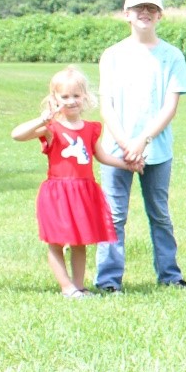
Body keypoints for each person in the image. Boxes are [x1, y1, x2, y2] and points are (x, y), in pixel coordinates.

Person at [96, 0, 186, 292]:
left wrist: (143, 142)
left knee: (160, 214)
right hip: (116, 150)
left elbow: (169, 106)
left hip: (157, 150)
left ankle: (170, 275)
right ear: (127, 14)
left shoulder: (171, 56)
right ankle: (109, 280)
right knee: (113, 217)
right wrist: (126, 144)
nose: (145, 13)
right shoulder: (112, 55)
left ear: (160, 15)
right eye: (139, 8)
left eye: (152, 9)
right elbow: (106, 104)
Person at [10, 66, 133, 298]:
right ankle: (66, 287)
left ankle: (79, 286)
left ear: (85, 97)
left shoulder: (90, 128)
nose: (71, 101)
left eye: (76, 96)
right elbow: (17, 135)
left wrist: (127, 164)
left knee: (81, 241)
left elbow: (101, 156)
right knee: (56, 242)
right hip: (58, 191)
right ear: (54, 98)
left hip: (84, 191)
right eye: (64, 97)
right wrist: (42, 119)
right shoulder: (50, 128)